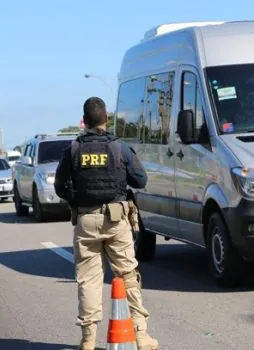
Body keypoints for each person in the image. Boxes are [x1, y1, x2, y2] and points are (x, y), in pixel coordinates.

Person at [54, 97, 159, 350]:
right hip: (116, 219)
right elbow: (141, 180)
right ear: (107, 119)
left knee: (88, 280)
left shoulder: (73, 149)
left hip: (86, 219)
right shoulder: (119, 148)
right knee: (128, 275)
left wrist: (78, 200)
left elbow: (59, 186)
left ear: (84, 121)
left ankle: (88, 340)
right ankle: (141, 336)